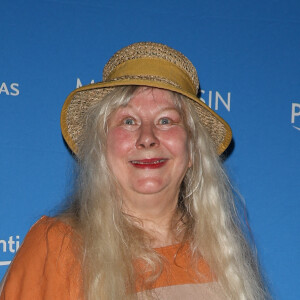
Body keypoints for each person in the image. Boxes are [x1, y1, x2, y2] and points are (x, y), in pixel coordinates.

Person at [0, 42, 268, 299]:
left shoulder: (223, 255)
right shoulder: (58, 248)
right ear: (102, 149)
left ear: (193, 152)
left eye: (166, 120)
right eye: (128, 121)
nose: (147, 137)